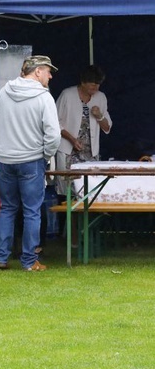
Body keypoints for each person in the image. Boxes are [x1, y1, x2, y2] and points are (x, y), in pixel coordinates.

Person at [0, 55, 61, 272]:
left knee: (7, 209)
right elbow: (53, 135)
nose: (50, 75)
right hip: (32, 160)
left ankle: (1, 258)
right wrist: (46, 155)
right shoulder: (44, 97)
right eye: (47, 70)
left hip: (6, 161)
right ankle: (28, 261)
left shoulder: (5, 92)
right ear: (37, 72)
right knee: (32, 211)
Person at [54, 65, 112, 245]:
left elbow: (107, 127)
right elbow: (54, 123)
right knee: (67, 193)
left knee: (88, 192)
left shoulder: (100, 98)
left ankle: (86, 235)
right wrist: (72, 139)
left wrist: (99, 115)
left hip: (90, 153)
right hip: (69, 150)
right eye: (92, 85)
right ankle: (67, 236)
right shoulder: (67, 95)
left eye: (98, 85)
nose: (95, 88)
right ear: (82, 82)